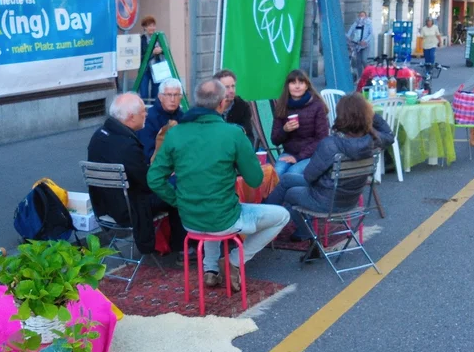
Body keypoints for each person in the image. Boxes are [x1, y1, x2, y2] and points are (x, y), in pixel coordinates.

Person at [148, 80, 290, 289]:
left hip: (190, 219)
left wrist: (177, 200)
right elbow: (255, 180)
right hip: (224, 218)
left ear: (195, 101)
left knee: (214, 205)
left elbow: (154, 178)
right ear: (222, 103)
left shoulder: (175, 133)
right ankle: (233, 261)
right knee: (281, 216)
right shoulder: (232, 133)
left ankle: (210, 269)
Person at [264, 93, 394, 247]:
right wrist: (370, 114)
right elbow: (389, 135)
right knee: (287, 179)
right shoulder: (374, 140)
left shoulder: (331, 144)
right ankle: (274, 221)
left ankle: (273, 224)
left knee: (290, 192)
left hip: (325, 201)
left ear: (341, 116)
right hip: (351, 200)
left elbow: (309, 176)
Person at [87, 93, 186, 259]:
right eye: (142, 112)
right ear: (131, 117)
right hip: (128, 208)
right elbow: (149, 183)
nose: (146, 114)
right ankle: (181, 246)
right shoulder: (126, 145)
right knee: (178, 188)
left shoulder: (99, 135)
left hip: (104, 205)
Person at [270, 70, 329, 178]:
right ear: (287, 86)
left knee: (291, 174)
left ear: (307, 86)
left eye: (301, 83)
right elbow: (275, 140)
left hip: (312, 155)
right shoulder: (282, 106)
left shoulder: (317, 105)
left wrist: (298, 157)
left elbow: (322, 138)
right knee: (276, 175)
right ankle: (275, 195)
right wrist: (284, 130)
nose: (297, 86)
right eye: (293, 83)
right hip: (289, 152)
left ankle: (289, 195)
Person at [137, 78, 184, 162]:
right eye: (168, 95)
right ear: (160, 97)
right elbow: (148, 152)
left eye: (176, 95)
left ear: (181, 97)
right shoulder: (148, 118)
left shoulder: (182, 117)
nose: (172, 99)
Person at [214, 69, 256, 146]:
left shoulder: (242, 106)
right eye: (227, 87)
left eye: (233, 86)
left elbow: (248, 136)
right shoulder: (210, 107)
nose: (231, 91)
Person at [138, 15, 164, 100]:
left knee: (155, 93)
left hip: (157, 69)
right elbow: (139, 57)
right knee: (144, 94)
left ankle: (154, 111)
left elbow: (166, 50)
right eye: (149, 26)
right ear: (144, 27)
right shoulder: (141, 40)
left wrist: (162, 50)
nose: (152, 28)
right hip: (144, 70)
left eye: (153, 25)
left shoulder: (159, 38)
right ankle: (144, 111)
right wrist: (153, 53)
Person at [346, 11, 373, 80]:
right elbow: (351, 29)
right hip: (357, 44)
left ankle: (369, 74)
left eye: (363, 15)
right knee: (358, 61)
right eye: (360, 15)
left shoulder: (368, 23)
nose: (361, 17)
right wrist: (348, 37)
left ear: (366, 16)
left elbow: (371, 34)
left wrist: (365, 41)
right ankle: (360, 77)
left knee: (364, 60)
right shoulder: (356, 23)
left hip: (365, 44)